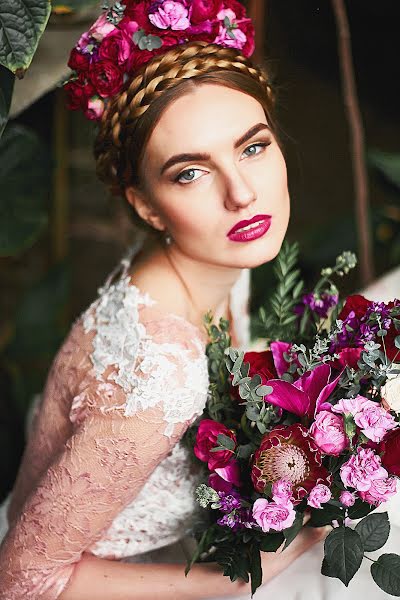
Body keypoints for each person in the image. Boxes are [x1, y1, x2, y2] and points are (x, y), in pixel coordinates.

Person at [0, 2, 398, 599]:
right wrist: (243, 578)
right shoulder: (160, 374)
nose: (241, 194)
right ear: (144, 205)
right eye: (190, 172)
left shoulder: (213, 260)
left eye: (253, 147)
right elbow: (22, 580)